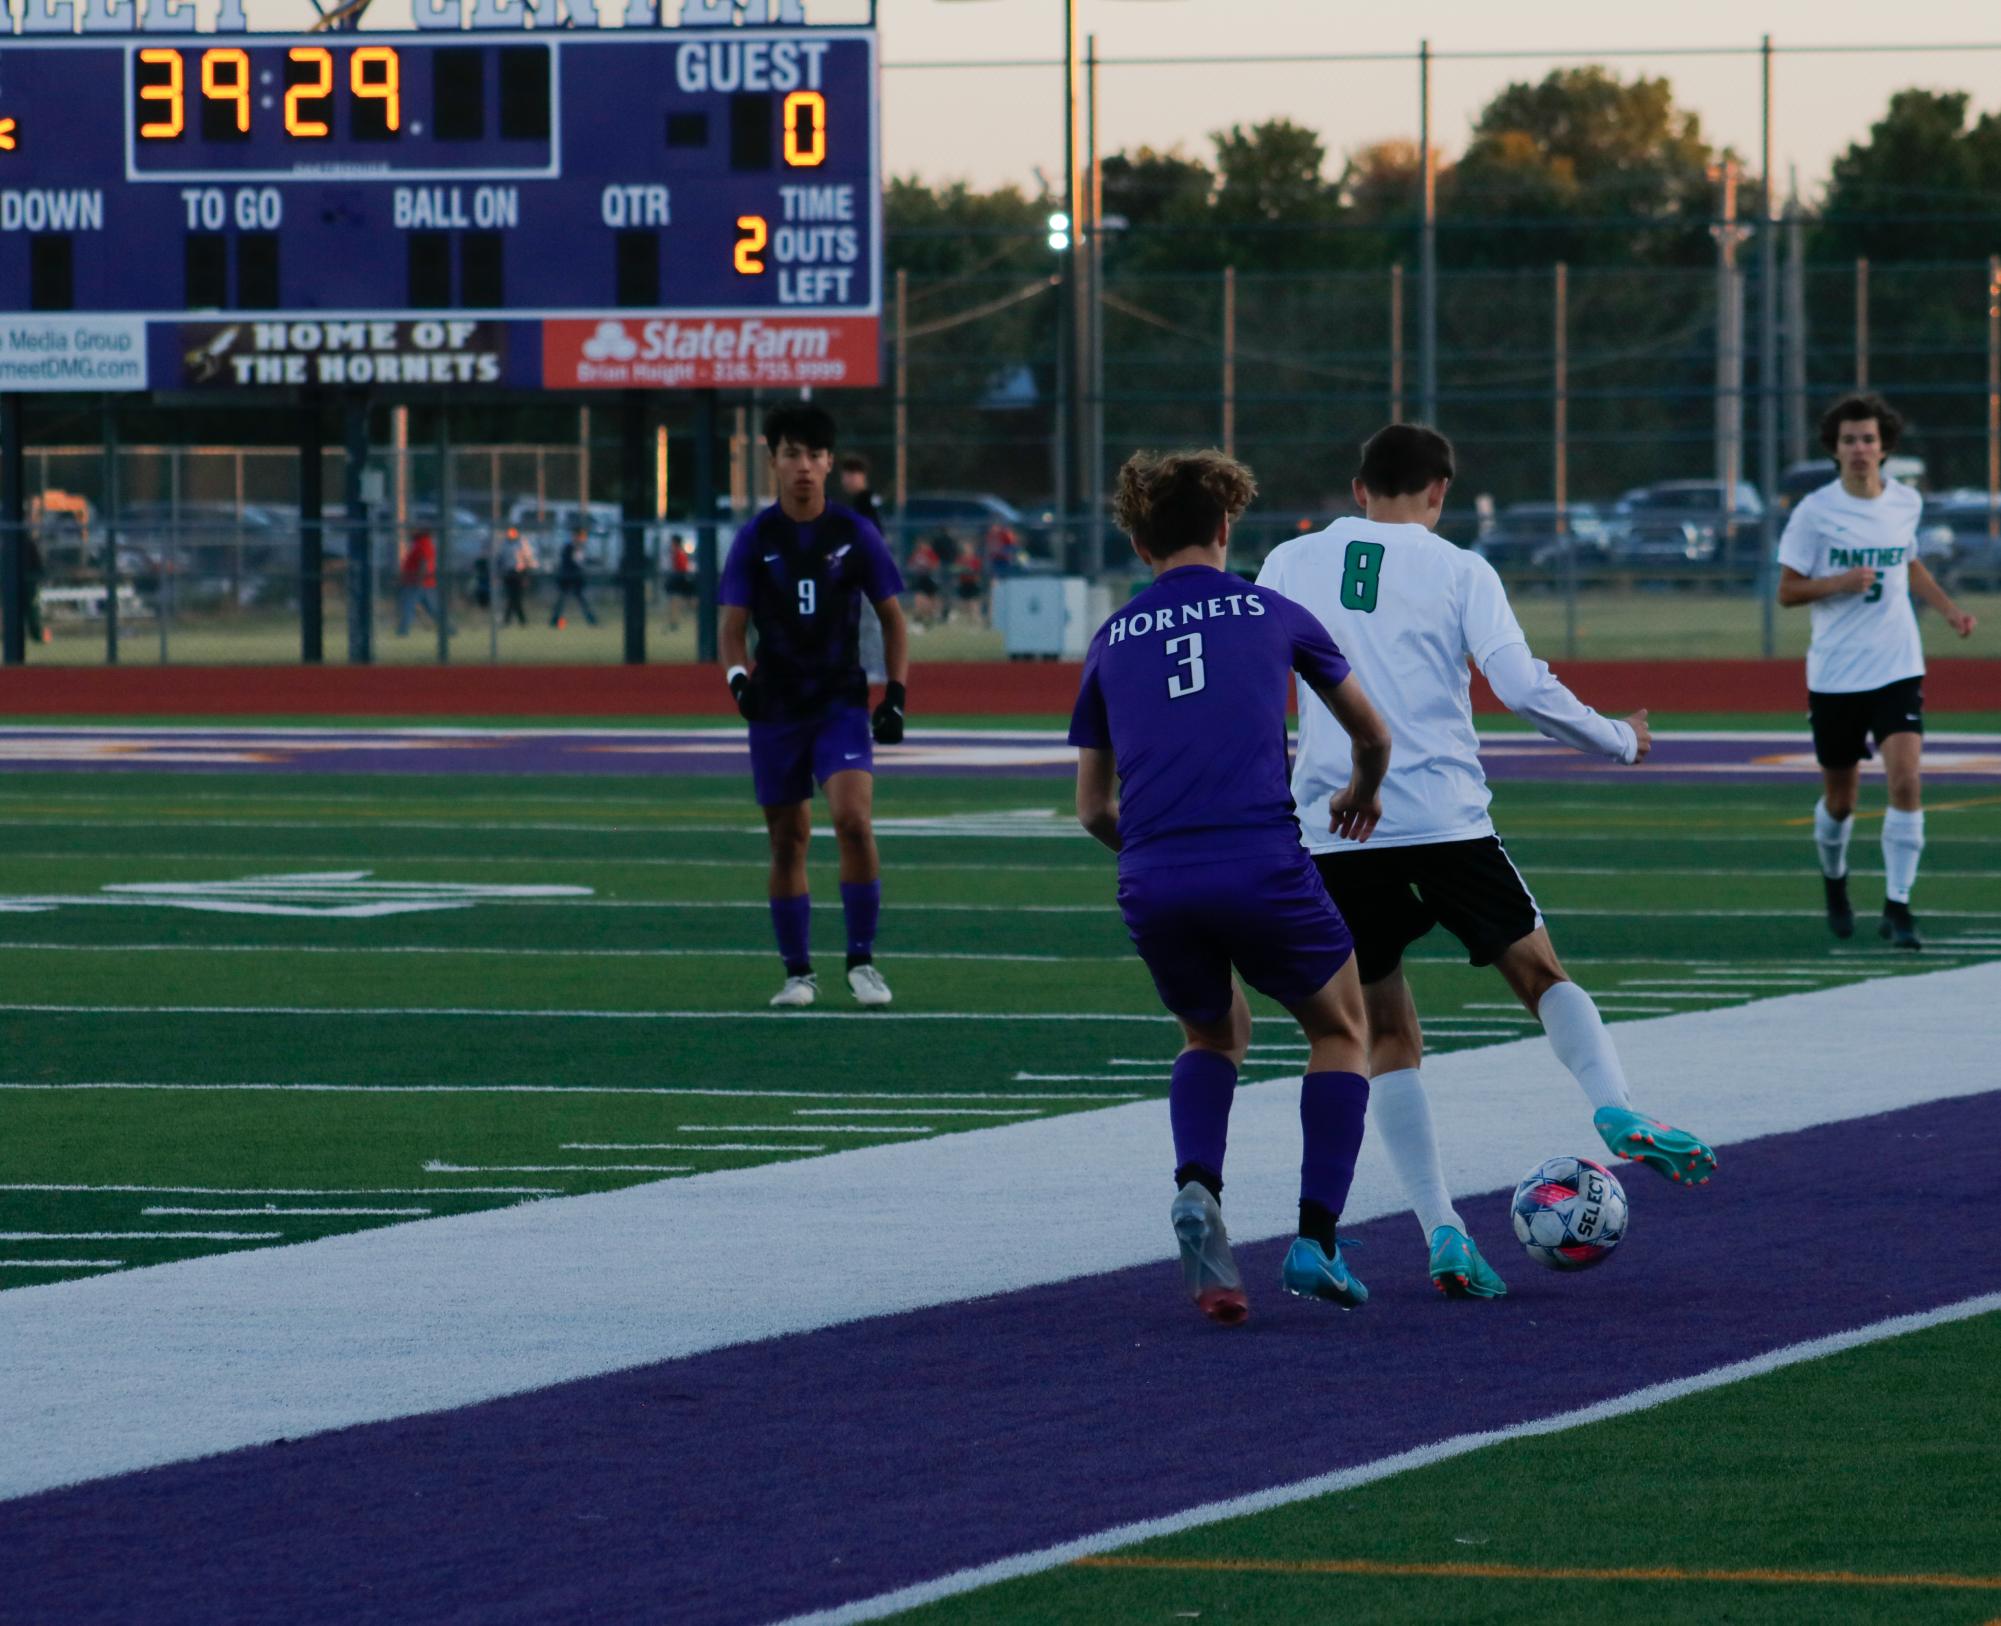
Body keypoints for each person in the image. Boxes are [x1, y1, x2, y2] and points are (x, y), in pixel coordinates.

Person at [1256, 423, 1717, 1303]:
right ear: (1438, 493)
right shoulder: (1460, 568)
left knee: (1386, 1036)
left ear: (1357, 490)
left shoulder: (1288, 562)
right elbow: (1520, 688)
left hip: (1337, 827)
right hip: (1443, 818)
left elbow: (1261, 676)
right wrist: (1621, 740)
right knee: (1540, 972)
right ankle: (1612, 1104)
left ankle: (1443, 1234)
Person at [1071, 448, 1392, 1325]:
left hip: (1152, 871)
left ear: (1139, 546)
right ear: (1224, 527)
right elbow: (1370, 734)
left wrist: (1156, 859)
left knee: (1212, 1038)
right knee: (1340, 1028)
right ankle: (1315, 1240)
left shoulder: (1108, 640)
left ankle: (1195, 1185)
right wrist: (1360, 793)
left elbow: (1093, 807)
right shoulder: (1272, 611)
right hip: (1260, 859)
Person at [721, 404, 910, 1009]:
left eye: (814, 455)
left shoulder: (855, 533)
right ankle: (797, 973)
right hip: (776, 708)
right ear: (772, 460)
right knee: (788, 838)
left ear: (830, 462)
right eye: (791, 454)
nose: (803, 466)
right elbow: (731, 626)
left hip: (839, 702)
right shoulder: (756, 537)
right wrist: (737, 680)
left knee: (853, 820)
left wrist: (896, 695)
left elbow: (893, 617)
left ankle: (862, 961)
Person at [1777, 393, 1978, 950]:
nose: (1860, 449)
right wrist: (1837, 583)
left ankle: (1899, 905)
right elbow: (1787, 590)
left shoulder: (1904, 503)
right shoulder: (1814, 512)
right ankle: (1836, 884)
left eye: (1868, 439)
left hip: (1897, 665)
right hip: (1837, 674)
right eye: (1849, 441)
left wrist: (1949, 610)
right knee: (1841, 802)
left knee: (1907, 781)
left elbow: (1907, 560)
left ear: (1884, 446)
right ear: (1835, 450)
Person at [396, 529, 443, 636]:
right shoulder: (418, 543)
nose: (410, 532)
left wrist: (419, 579)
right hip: (419, 582)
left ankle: (402, 631)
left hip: (418, 583)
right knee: (433, 609)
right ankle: (448, 629)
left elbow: (424, 562)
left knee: (407, 607)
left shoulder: (424, 543)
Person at [550, 529, 597, 628]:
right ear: (576, 537)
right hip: (567, 578)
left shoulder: (580, 548)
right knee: (562, 600)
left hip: (576, 578)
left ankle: (591, 619)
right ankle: (554, 620)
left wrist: (593, 561)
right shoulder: (568, 547)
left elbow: (582, 561)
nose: (583, 539)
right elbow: (569, 562)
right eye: (582, 537)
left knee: (581, 600)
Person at [905, 534, 943, 628]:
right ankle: (918, 618)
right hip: (920, 579)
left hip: (929, 578)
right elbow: (911, 564)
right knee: (919, 598)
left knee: (932, 599)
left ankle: (930, 617)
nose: (922, 545)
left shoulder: (930, 553)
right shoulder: (917, 553)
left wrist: (929, 567)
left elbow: (936, 565)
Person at [501, 531, 535, 627]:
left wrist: (526, 576)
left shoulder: (522, 544)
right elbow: (501, 560)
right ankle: (520, 621)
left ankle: (510, 620)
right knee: (512, 599)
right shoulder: (504, 545)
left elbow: (528, 560)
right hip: (508, 574)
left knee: (516, 599)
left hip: (519, 574)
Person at [664, 538, 699, 632]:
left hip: (681, 580)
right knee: (677, 602)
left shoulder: (680, 554)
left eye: (672, 543)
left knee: (687, 602)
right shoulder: (675, 554)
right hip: (679, 580)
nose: (670, 545)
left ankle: (674, 623)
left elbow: (684, 568)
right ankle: (673, 623)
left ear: (675, 543)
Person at [951, 536, 983, 625]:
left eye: (969, 548)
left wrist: (971, 571)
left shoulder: (976, 560)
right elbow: (955, 569)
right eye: (966, 547)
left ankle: (975, 621)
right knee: (963, 605)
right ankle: (962, 618)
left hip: (972, 583)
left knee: (974, 603)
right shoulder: (960, 559)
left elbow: (977, 571)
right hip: (963, 583)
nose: (968, 549)